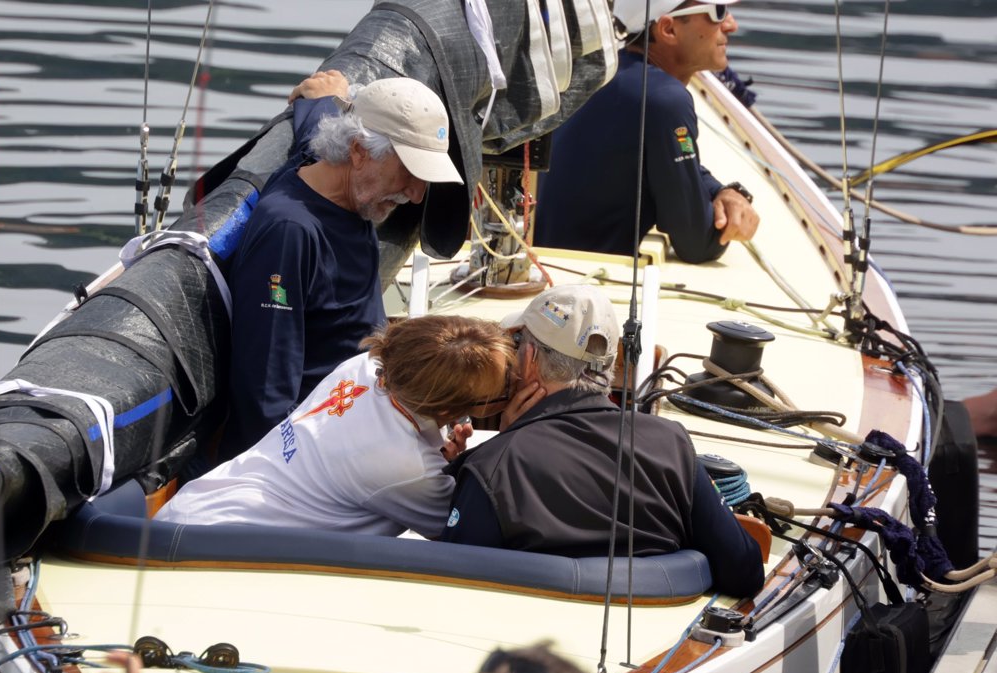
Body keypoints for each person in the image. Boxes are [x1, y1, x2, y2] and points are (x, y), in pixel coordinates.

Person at [441, 284, 766, 597]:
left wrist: (508, 440)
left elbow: (452, 586)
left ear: (529, 360)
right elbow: (744, 570)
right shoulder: (671, 443)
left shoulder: (493, 466)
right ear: (610, 365)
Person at [218, 76, 465, 461]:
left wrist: (328, 96)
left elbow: (314, 134)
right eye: (409, 172)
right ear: (358, 150)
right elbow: (265, 395)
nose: (416, 194)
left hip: (363, 414)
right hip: (310, 457)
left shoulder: (339, 177)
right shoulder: (289, 233)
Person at [157, 316, 516, 539]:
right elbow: (461, 531)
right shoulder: (403, 466)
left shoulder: (364, 366)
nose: (510, 388)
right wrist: (514, 427)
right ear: (446, 406)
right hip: (220, 549)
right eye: (501, 390)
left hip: (190, 509)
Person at [532, 0, 759, 262]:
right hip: (588, 282)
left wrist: (724, 192)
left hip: (547, 263)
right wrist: (726, 222)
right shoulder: (664, 98)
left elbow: (665, 159)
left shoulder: (598, 74)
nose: (730, 25)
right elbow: (697, 243)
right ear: (668, 30)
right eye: (717, 13)